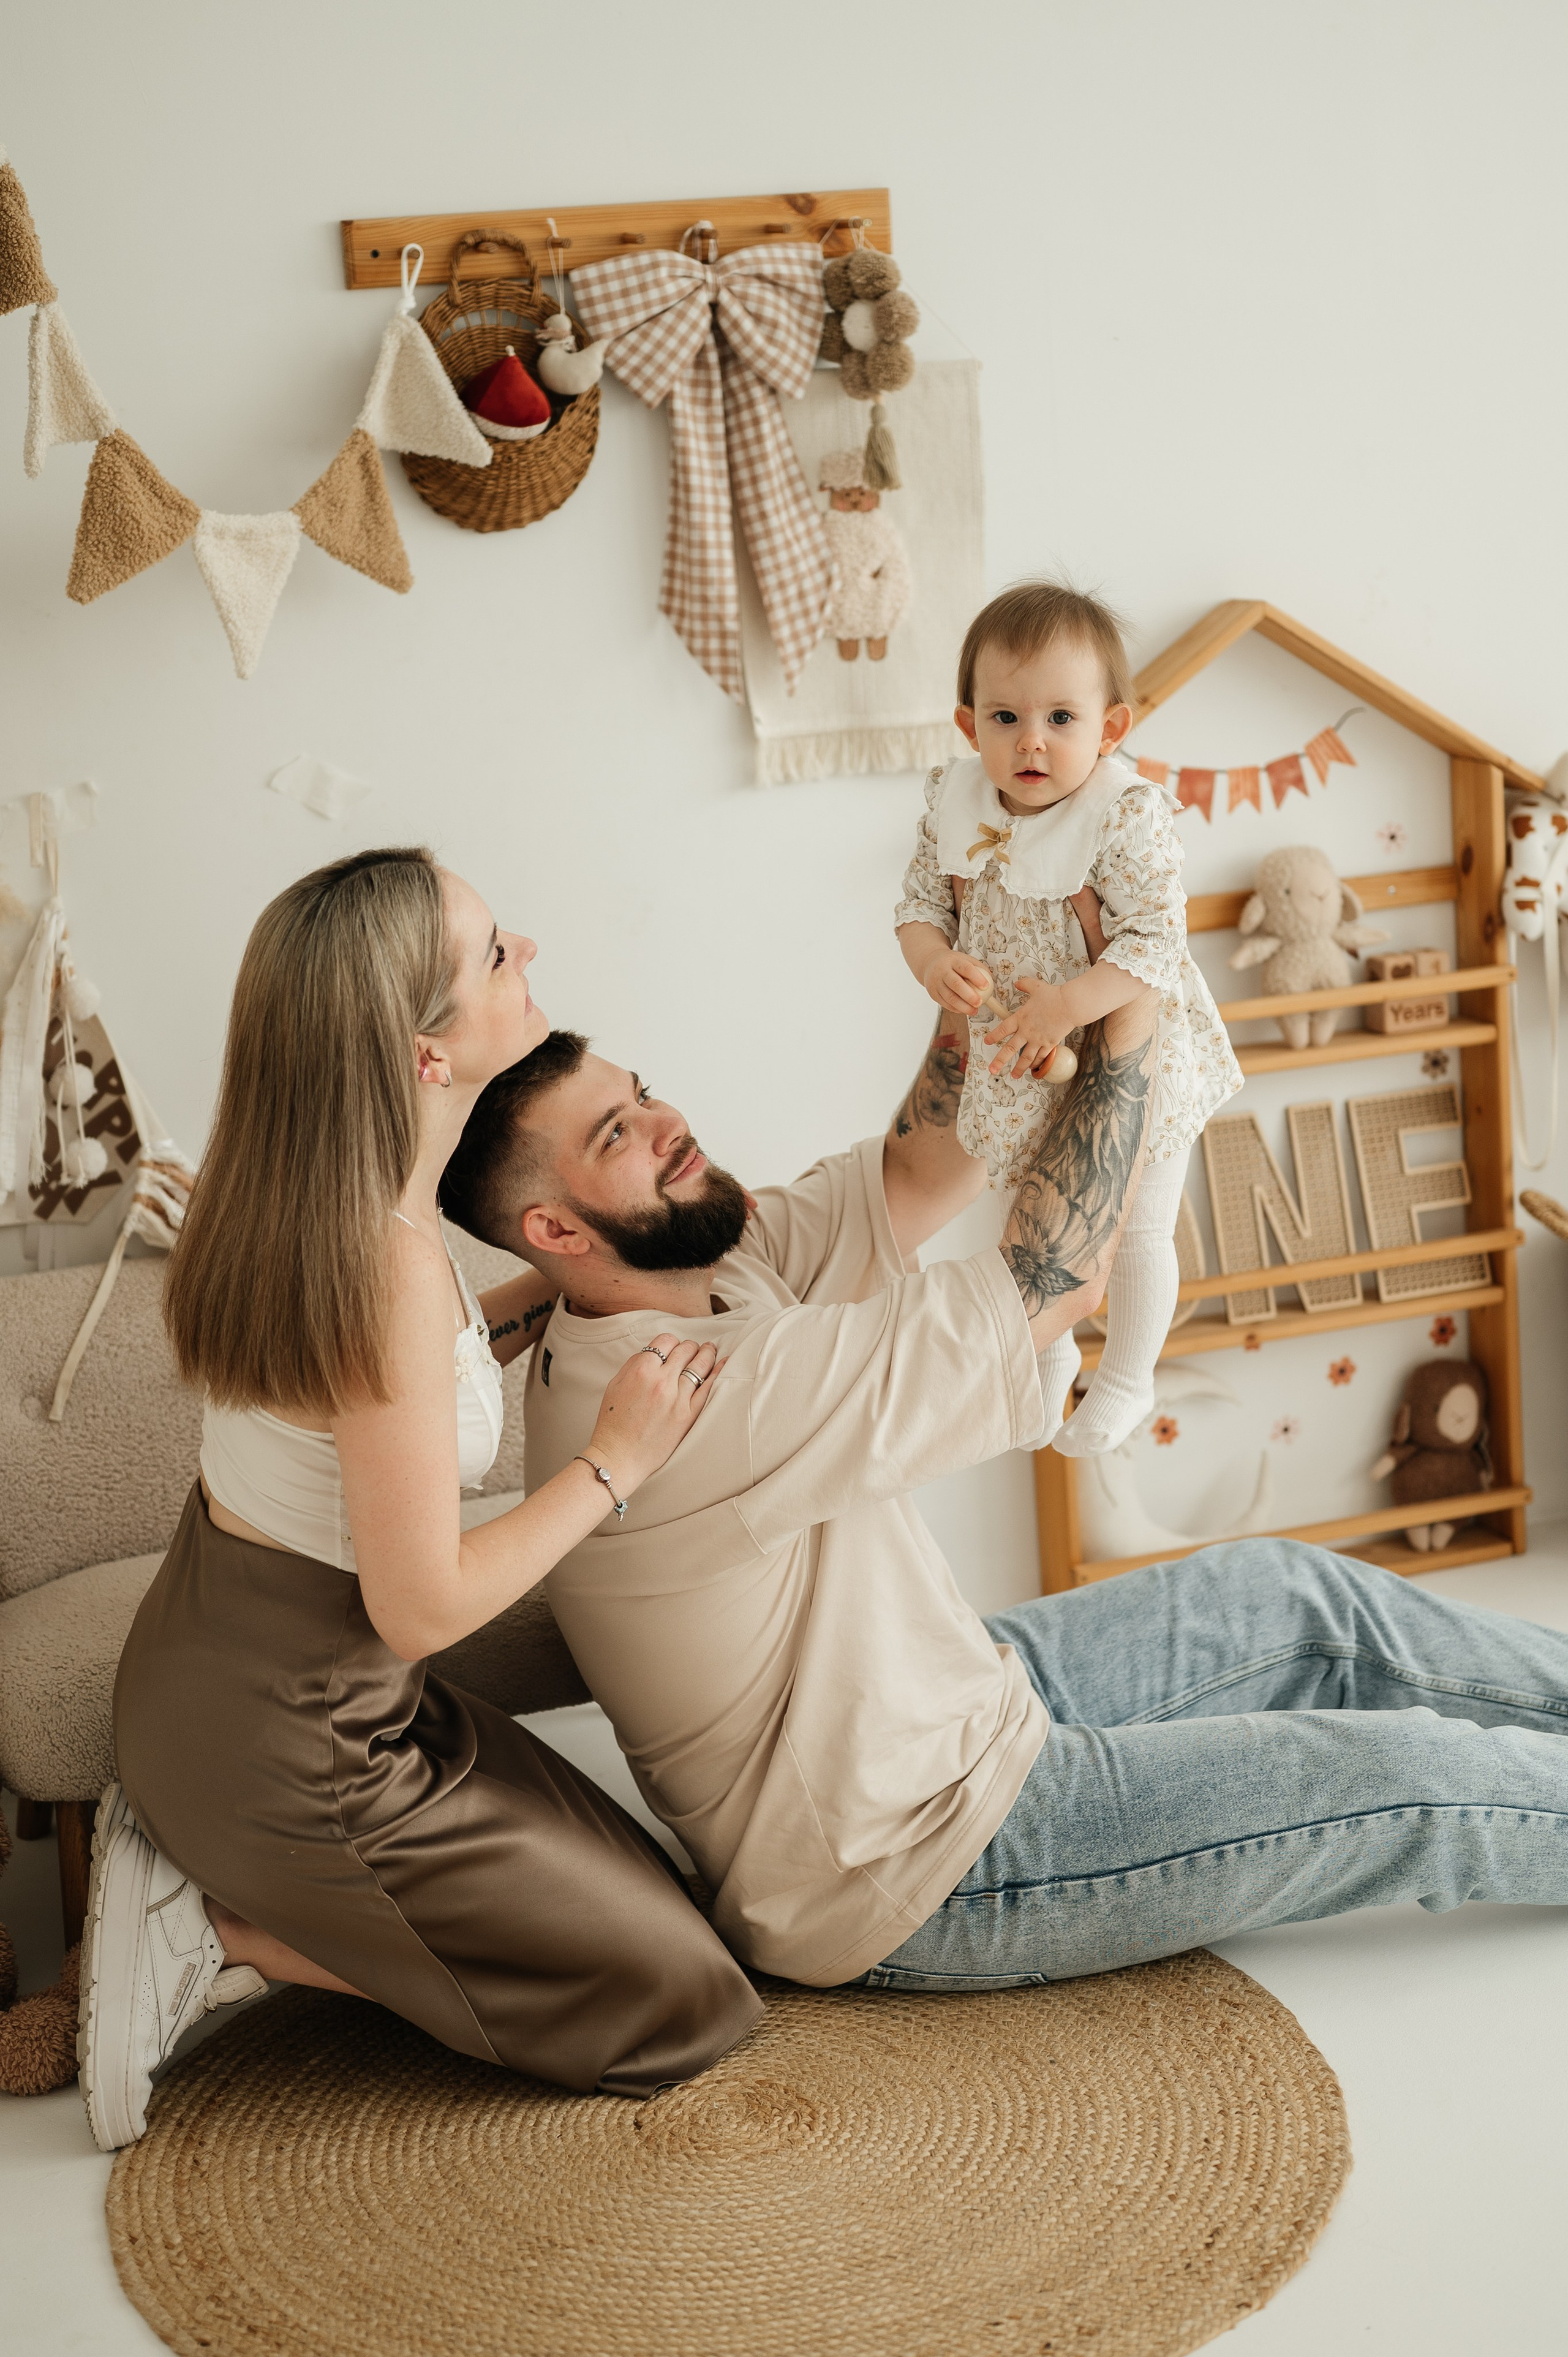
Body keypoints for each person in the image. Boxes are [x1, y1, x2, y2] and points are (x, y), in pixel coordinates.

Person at [437, 1006, 1568, 1999]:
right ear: (555, 1232)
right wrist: (1124, 1029)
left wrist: (990, 978)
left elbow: (924, 1168)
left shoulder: (700, 1263)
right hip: (918, 1862)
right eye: (616, 1137)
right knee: (1402, 1779)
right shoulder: (681, 1396)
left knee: (1292, 1592)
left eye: (639, 1095)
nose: (666, 1124)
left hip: (949, 1703)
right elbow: (1052, 1276)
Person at [80, 847, 761, 2155]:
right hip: (302, 1740)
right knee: (683, 2003)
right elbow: (417, 1603)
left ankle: (203, 1868)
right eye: (498, 954)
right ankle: (212, 1933)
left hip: (217, 1669)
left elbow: (354, 1415)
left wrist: (511, 1316)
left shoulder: (314, 1192)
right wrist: (612, 1460)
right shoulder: (378, 1260)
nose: (532, 958)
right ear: (423, 1055)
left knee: (666, 1898)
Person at [894, 581, 1242, 1452]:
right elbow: (917, 906)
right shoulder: (955, 804)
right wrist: (934, 961)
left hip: (1128, 1045)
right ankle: (1049, 1373)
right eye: (1006, 718)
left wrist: (1070, 1004)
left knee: (1141, 1223)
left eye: (1060, 717)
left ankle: (1127, 1377)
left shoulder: (1123, 814)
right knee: (1031, 1225)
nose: (1033, 741)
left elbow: (1159, 941)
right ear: (970, 726)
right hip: (1020, 1055)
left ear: (1110, 729)